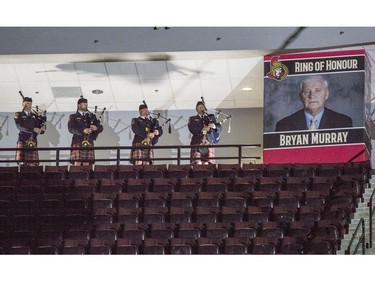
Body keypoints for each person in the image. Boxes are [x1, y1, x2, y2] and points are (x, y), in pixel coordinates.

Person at [275, 75, 353, 131]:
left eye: (317, 91)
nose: (312, 96)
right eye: (307, 91)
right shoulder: (284, 125)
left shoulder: (343, 122)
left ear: (326, 94)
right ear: (301, 97)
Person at [68, 97, 103, 166]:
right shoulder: (73, 116)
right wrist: (83, 130)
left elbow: (100, 127)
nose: (86, 105)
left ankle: (86, 176)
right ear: (79, 105)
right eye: (83, 104)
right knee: (77, 161)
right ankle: (75, 176)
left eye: (86, 104)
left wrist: (96, 128)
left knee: (87, 162)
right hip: (77, 141)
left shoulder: (91, 116)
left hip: (89, 140)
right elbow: (71, 128)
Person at [14, 97, 46, 166]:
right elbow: (19, 126)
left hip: (33, 140)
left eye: (30, 103)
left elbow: (40, 128)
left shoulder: (34, 116)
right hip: (23, 139)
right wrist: (33, 129)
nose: (29, 105)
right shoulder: (18, 114)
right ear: (23, 104)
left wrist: (42, 126)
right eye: (27, 103)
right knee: (22, 163)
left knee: (33, 164)